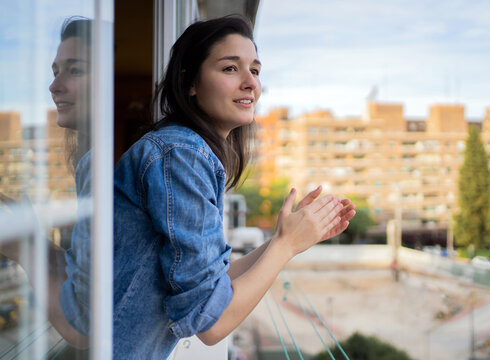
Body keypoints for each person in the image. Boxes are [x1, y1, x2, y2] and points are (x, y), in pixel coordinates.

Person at [112, 15, 356, 359]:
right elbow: (212, 323)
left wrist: (287, 239)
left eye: (254, 71)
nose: (250, 83)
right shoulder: (180, 154)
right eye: (230, 69)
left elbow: (216, 278)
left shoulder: (185, 151)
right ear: (190, 83)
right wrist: (285, 246)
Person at [0, 18, 92, 350]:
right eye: (56, 72)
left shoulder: (103, 164)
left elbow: (85, 323)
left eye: (75, 71)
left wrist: (20, 241)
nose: (54, 86)